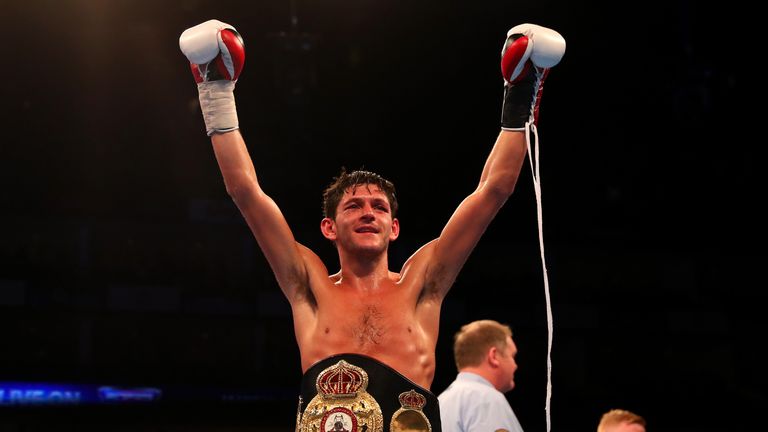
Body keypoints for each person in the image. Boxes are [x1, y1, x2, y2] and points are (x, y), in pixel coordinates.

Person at [179, 19, 565, 432]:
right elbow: (246, 193)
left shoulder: (423, 283)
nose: (368, 212)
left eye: (379, 207)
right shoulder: (308, 283)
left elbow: (493, 191)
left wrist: (520, 94)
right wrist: (215, 91)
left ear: (394, 228)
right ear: (329, 228)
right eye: (354, 206)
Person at [437, 320, 524, 432]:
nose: (515, 365)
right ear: (494, 356)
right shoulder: (487, 398)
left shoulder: (440, 401)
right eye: (512, 356)